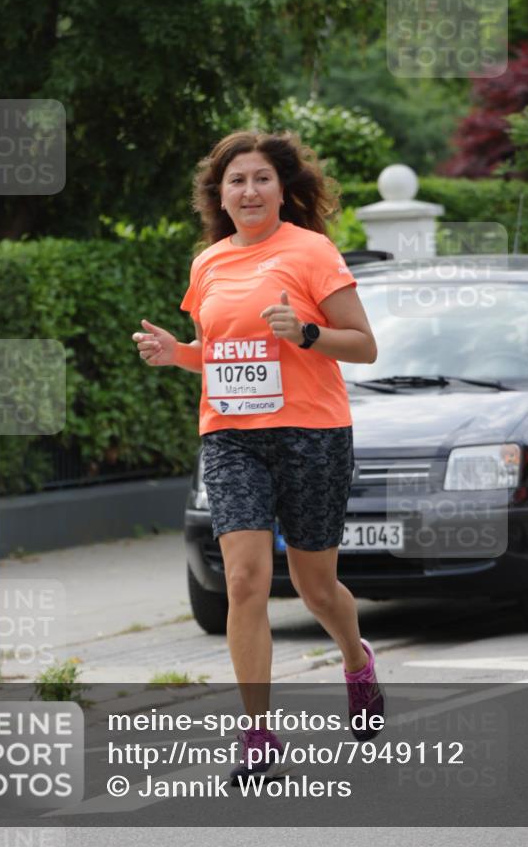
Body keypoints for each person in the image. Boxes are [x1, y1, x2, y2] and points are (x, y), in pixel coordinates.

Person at [132, 130, 384, 783]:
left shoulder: (311, 252)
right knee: (242, 580)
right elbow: (217, 353)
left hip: (312, 432)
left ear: (283, 188)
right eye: (235, 180)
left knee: (314, 587)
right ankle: (257, 735)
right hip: (230, 435)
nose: (248, 190)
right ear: (219, 193)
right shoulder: (207, 263)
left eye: (261, 178)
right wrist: (178, 353)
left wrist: (304, 333)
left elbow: (362, 345)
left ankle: (356, 663)